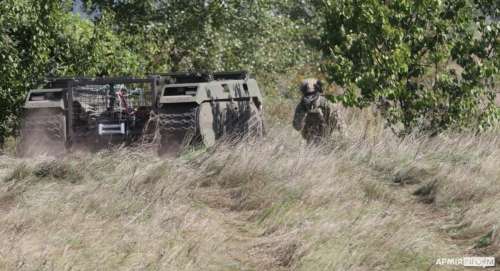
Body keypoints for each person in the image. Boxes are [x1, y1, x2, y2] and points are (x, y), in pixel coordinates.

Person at [293, 78, 345, 144]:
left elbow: (340, 124)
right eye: (308, 94)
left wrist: (342, 141)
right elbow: (297, 126)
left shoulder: (327, 103)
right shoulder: (301, 106)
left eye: (312, 94)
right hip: (311, 142)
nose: (309, 97)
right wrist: (303, 115)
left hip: (329, 139)